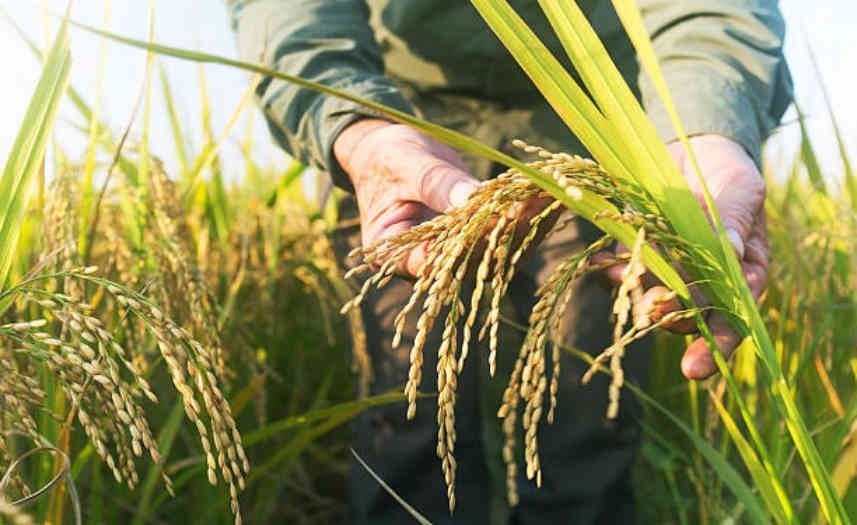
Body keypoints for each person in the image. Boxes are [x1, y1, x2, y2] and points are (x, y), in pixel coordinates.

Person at [230, 1, 792, 523]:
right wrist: (353, 120)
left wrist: (706, 135)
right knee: (403, 411)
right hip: (397, 115)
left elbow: (708, 10)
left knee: (583, 416)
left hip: (592, 123)